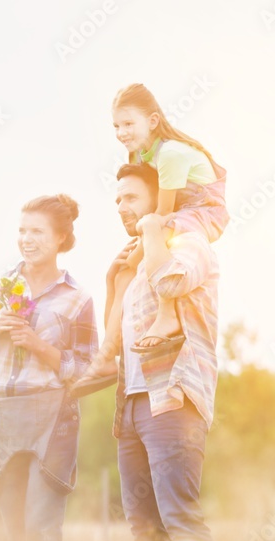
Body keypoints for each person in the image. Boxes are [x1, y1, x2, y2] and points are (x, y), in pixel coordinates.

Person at [0, 194, 97, 541]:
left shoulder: (78, 298)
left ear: (60, 238)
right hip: (1, 417)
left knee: (41, 528)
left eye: (36, 231)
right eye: (22, 230)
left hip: (51, 417)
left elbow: (86, 369)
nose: (26, 239)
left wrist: (38, 345)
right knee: (15, 533)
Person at [71, 83, 228, 397]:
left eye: (129, 123)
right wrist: (129, 263)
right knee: (129, 267)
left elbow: (162, 213)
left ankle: (167, 316)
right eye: (117, 125)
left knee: (152, 234)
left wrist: (141, 249)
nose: (121, 132)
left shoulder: (169, 154)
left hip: (202, 209)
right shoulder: (143, 153)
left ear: (153, 121)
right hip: (176, 212)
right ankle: (105, 356)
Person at [103, 163, 219, 541]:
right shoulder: (136, 270)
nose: (121, 206)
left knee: (180, 519)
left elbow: (170, 281)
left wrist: (153, 229)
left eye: (131, 197)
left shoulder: (191, 242)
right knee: (144, 530)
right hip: (132, 404)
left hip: (172, 397)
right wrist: (113, 281)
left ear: (159, 199)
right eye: (117, 199)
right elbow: (114, 344)